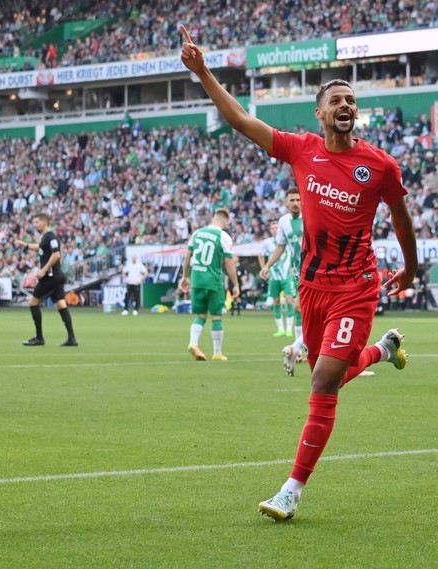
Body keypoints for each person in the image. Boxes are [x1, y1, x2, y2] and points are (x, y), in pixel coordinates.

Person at [179, 25, 418, 522]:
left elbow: (401, 219)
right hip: (312, 289)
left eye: (351, 99)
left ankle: (291, 489)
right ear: (321, 112)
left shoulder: (379, 166)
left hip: (357, 287)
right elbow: (242, 120)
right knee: (323, 375)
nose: (345, 104)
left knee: (324, 382)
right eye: (336, 99)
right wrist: (203, 72)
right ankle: (383, 350)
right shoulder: (301, 148)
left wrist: (411, 268)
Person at [177, 208, 240, 362]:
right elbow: (229, 264)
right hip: (213, 281)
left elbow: (187, 257)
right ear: (225, 221)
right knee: (217, 316)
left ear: (213, 218)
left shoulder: (197, 233)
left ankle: (193, 343)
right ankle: (217, 353)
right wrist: (236, 284)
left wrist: (185, 277)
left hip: (196, 280)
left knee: (200, 315)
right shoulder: (223, 236)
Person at [260, 189, 308, 375]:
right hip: (300, 272)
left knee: (303, 310)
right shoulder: (283, 222)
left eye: (298, 199)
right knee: (300, 311)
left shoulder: (310, 215)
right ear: (286, 203)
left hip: (315, 269)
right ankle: (296, 350)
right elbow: (280, 246)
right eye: (292, 200)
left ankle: (296, 349)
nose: (296, 203)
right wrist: (268, 266)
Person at [14, 213, 78, 347]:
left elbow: (56, 255)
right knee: (61, 305)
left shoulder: (51, 237)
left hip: (50, 276)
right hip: (57, 275)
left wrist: (43, 270)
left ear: (44, 222)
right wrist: (25, 245)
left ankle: (39, 338)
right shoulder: (45, 238)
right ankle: (72, 339)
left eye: (36, 222)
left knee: (33, 303)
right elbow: (40, 248)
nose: (34, 225)